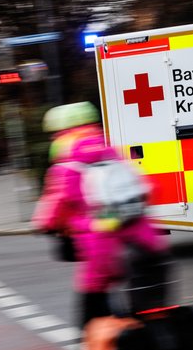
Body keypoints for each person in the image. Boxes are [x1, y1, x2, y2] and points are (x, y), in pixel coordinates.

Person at [32, 101, 169, 329]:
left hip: (103, 250)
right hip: (146, 242)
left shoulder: (67, 166)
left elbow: (56, 204)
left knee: (90, 308)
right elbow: (149, 187)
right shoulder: (113, 155)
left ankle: (92, 349)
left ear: (62, 133)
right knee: (148, 304)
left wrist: (41, 224)